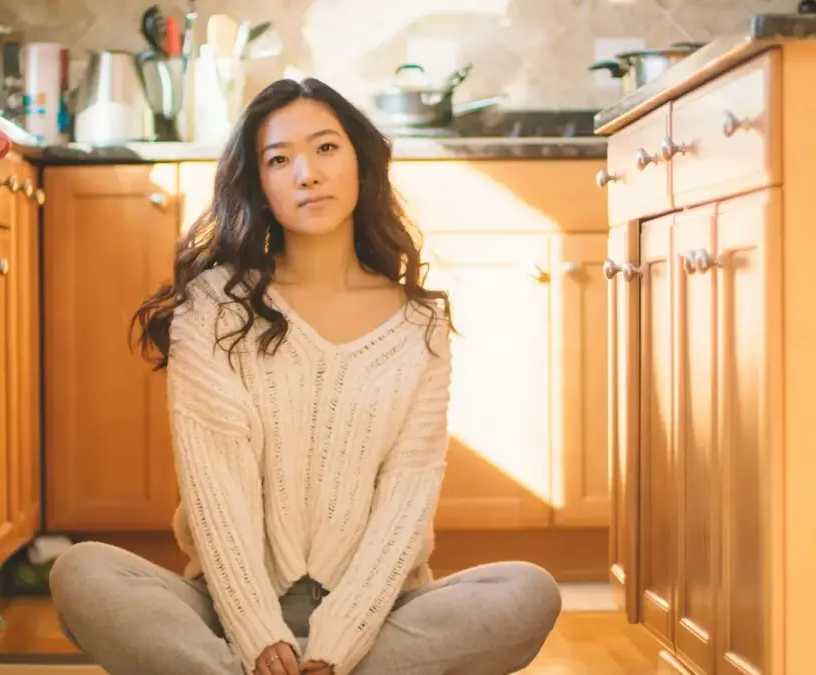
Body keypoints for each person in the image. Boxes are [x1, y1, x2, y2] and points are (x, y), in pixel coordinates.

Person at [48, 77, 562, 675]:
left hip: (378, 617)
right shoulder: (213, 309)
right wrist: (261, 637)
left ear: (361, 165)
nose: (307, 173)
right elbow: (218, 491)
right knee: (82, 572)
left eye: (325, 148)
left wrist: (335, 649)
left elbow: (407, 498)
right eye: (279, 159)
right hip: (230, 611)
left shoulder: (421, 323)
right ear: (259, 185)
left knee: (529, 590)